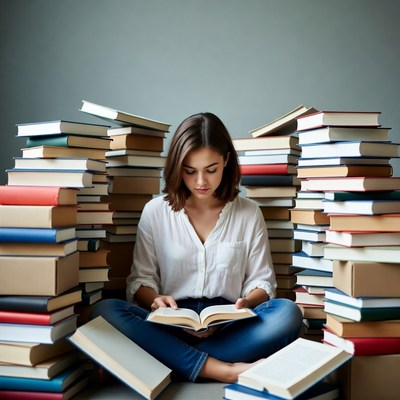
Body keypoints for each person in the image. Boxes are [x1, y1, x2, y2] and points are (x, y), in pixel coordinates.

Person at [90, 112, 303, 383]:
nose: (201, 182)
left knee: (287, 314)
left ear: (226, 160)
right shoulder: (155, 211)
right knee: (105, 312)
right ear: (178, 167)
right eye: (190, 171)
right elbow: (141, 279)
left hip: (229, 324)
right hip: (170, 324)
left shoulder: (248, 212)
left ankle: (165, 362)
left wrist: (246, 303)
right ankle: (223, 370)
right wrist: (155, 300)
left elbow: (262, 282)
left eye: (211, 169)